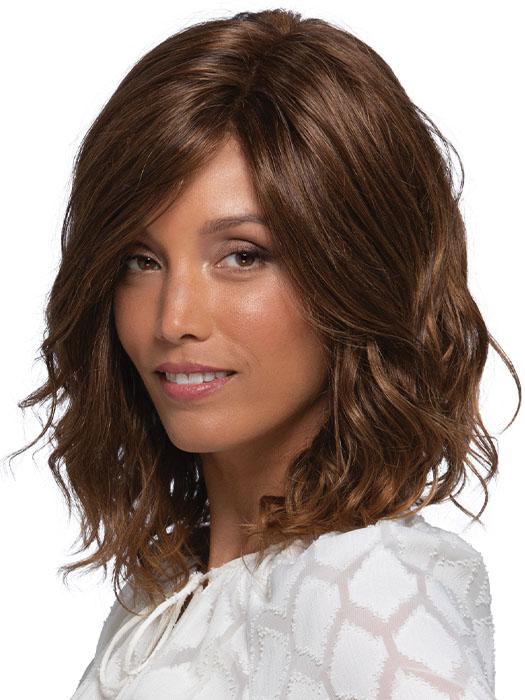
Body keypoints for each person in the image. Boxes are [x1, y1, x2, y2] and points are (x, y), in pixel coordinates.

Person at [6, 8, 519, 699]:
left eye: (242, 256)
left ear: (360, 273)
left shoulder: (366, 589)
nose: (173, 319)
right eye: (139, 260)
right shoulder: (166, 590)